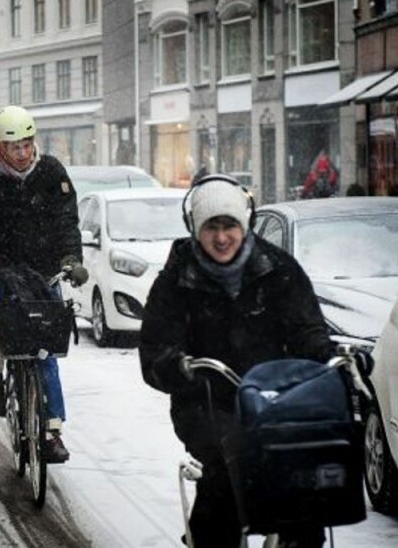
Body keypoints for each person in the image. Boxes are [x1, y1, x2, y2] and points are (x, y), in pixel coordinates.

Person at [139, 174, 333, 548]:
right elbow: (154, 349)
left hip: (274, 398)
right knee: (227, 474)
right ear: (195, 228)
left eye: (230, 225)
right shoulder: (176, 280)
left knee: (304, 477)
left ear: (246, 225)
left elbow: (307, 328)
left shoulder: (277, 269)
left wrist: (327, 356)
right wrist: (178, 365)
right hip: (207, 401)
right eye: (212, 227)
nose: (222, 237)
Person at [0, 105, 89, 463]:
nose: (23, 153)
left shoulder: (51, 172)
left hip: (42, 271)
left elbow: (66, 220)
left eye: (28, 145)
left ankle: (52, 430)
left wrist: (70, 259)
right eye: (15, 147)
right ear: (0, 146)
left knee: (44, 348)